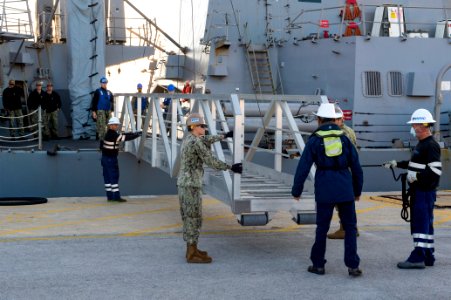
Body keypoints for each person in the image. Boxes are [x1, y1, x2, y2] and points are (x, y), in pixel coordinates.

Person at [291, 103, 363, 277]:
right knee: (350, 228)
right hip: (345, 188)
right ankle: (353, 265)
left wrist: (297, 190)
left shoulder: (315, 140)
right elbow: (357, 167)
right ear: (333, 119)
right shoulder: (345, 139)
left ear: (319, 119)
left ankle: (318, 265)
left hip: (324, 188)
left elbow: (303, 167)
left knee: (322, 228)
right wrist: (357, 190)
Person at [177, 113, 241, 263]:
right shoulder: (196, 142)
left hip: (185, 184)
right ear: (193, 127)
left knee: (190, 217)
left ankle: (192, 248)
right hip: (191, 185)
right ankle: (191, 254)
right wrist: (231, 167)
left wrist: (224, 136)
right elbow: (210, 160)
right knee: (194, 218)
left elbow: (206, 139)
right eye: (202, 126)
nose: (204, 128)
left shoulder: (190, 139)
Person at [383, 108, 441, 269]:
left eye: (414, 124)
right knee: (426, 224)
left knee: (420, 224)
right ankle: (428, 255)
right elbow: (415, 164)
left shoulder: (430, 145)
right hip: (421, 191)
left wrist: (417, 177)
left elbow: (435, 171)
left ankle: (417, 257)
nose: (412, 127)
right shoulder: (422, 144)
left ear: (422, 126)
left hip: (423, 192)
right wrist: (397, 164)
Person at [327, 108, 360, 239]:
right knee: (345, 201)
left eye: (335, 119)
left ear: (341, 119)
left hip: (343, 172)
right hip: (347, 171)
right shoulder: (348, 131)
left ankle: (347, 229)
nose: (333, 122)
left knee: (342, 202)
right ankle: (349, 227)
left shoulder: (342, 133)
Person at [100, 117, 141, 202]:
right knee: (114, 177)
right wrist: (137, 135)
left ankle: (110, 196)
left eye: (117, 125)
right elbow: (125, 138)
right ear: (110, 126)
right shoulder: (113, 135)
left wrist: (132, 133)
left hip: (105, 158)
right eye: (115, 125)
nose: (117, 126)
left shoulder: (108, 134)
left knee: (107, 177)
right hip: (111, 159)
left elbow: (123, 135)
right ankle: (116, 197)